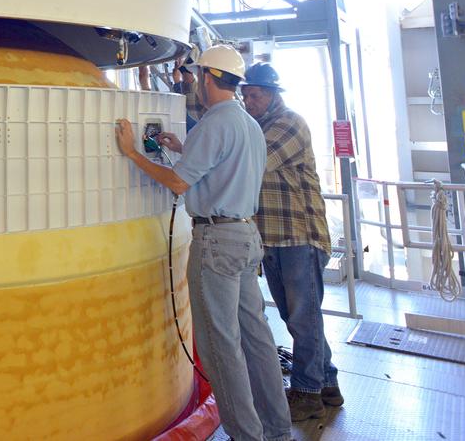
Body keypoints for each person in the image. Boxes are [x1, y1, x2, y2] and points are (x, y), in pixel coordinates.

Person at [114, 45, 292, 441]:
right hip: (246, 237)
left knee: (219, 346)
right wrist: (181, 148)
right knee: (257, 337)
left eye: (199, 77)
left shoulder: (214, 122)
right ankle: (278, 431)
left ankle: (247, 436)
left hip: (216, 242)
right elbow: (221, 163)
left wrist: (131, 153)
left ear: (209, 78)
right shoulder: (248, 124)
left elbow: (178, 183)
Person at [241, 62, 342, 420]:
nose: (247, 100)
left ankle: (306, 393)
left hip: (299, 237)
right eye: (244, 94)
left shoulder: (288, 124)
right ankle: (327, 384)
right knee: (298, 317)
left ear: (272, 96)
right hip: (272, 239)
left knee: (303, 318)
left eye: (253, 95)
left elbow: (255, 161)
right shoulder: (256, 125)